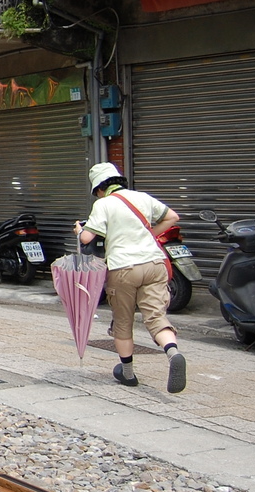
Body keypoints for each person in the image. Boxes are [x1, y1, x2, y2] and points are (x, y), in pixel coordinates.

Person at [74, 162, 186, 393]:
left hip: (123, 268)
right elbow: (172, 217)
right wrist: (150, 235)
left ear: (99, 189)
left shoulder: (103, 204)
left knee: (123, 321)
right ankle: (173, 351)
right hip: (154, 264)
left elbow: (86, 239)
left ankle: (127, 373)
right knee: (155, 316)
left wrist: (78, 230)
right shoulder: (142, 197)